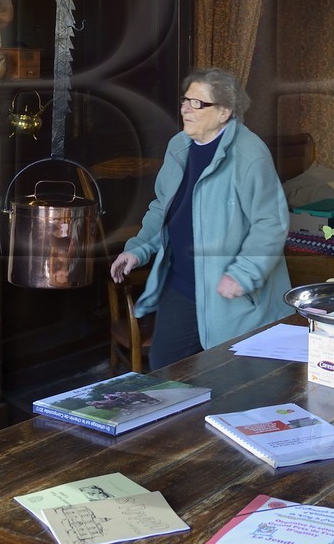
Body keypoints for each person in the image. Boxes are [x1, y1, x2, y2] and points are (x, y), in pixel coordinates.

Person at [110, 68, 292, 369]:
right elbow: (163, 209)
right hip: (183, 287)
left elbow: (271, 224)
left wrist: (243, 274)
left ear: (224, 112)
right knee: (167, 373)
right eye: (185, 100)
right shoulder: (179, 147)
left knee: (230, 381)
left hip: (232, 295)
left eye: (198, 103)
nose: (185, 109)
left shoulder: (250, 155)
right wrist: (138, 249)